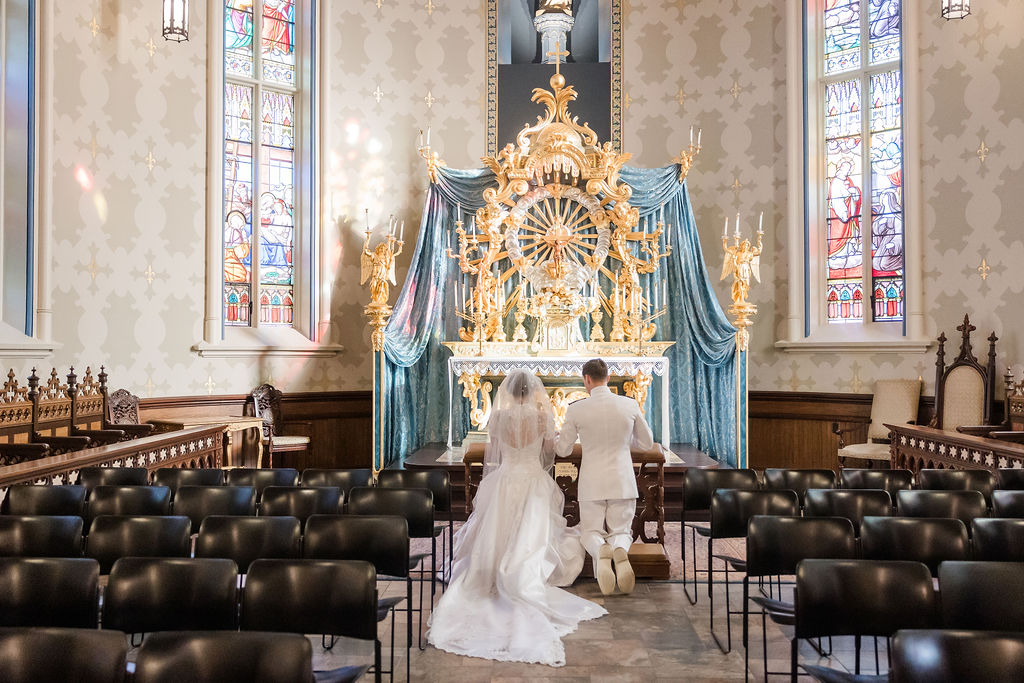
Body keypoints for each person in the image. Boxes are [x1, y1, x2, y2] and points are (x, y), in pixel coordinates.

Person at [427, 369, 605, 667]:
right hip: (533, 480)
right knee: (534, 533)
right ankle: (523, 578)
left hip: (505, 478)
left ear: (508, 392)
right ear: (533, 391)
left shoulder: (498, 417)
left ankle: (490, 573)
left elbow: (495, 451)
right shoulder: (539, 417)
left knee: (494, 530)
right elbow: (549, 452)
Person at [556, 358, 654, 595]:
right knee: (622, 531)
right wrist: (625, 439)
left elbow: (563, 450)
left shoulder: (577, 408)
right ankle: (619, 548)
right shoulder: (629, 405)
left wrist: (559, 436)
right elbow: (647, 442)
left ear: (587, 380)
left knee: (590, 532)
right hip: (623, 481)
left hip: (592, 483)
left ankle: (600, 551)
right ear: (608, 378)